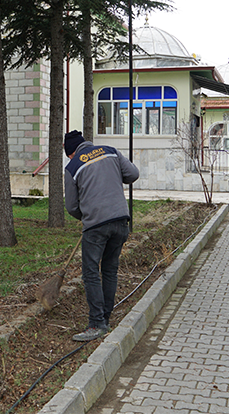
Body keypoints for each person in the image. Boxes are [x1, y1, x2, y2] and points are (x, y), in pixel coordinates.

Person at [62, 130, 139, 342]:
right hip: (121, 221)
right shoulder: (110, 152)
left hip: (96, 225)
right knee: (109, 269)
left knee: (90, 272)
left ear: (71, 153)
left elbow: (71, 206)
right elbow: (133, 174)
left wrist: (85, 216)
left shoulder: (72, 166)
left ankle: (96, 323)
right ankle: (105, 317)